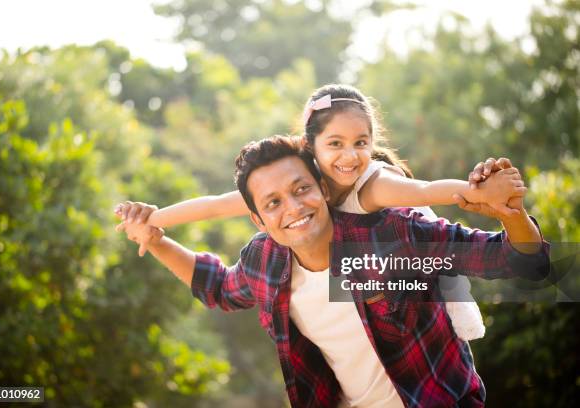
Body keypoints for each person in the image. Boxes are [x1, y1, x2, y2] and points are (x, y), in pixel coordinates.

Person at [115, 136, 549, 407]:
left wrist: (510, 214)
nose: (293, 209)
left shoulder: (394, 236)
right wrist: (157, 240)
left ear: (322, 188)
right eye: (272, 203)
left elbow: (522, 261)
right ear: (258, 220)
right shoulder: (264, 261)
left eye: (301, 189)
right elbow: (217, 287)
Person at [115, 84, 527, 341]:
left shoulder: (375, 183)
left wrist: (478, 193)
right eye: (336, 144)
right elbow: (214, 206)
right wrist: (153, 220)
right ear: (310, 145)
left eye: (361, 142)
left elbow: (424, 191)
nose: (351, 156)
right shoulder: (295, 184)